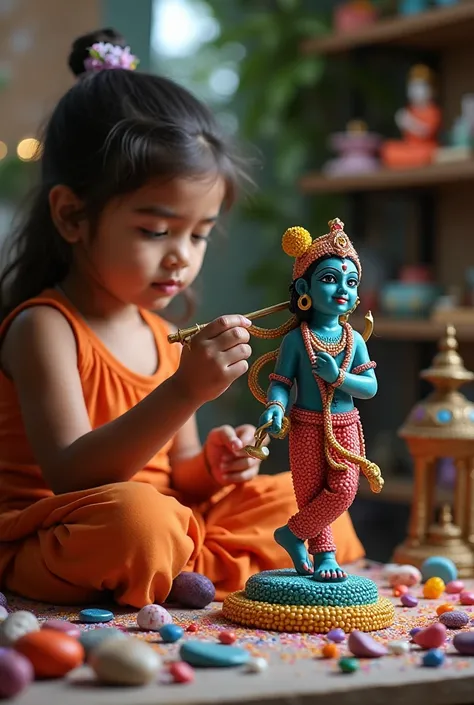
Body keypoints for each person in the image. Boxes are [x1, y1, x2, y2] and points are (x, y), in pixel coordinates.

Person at [0, 30, 364, 608]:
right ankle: (184, 561)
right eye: (155, 231)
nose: (182, 256)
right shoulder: (44, 327)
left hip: (163, 518)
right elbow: (72, 476)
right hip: (60, 531)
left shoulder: (158, 331)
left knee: (306, 499)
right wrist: (183, 392)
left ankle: (181, 564)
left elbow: (180, 475)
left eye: (199, 233)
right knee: (138, 522)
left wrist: (218, 464)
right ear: (71, 215)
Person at [254, 220, 383, 583]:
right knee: (311, 494)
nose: (342, 288)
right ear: (303, 288)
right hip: (307, 426)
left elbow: (370, 387)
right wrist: (275, 406)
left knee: (342, 491)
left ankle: (292, 533)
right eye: (329, 279)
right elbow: (280, 383)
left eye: (351, 282)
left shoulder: (354, 339)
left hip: (345, 427)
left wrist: (337, 377)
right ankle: (323, 555)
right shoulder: (297, 340)